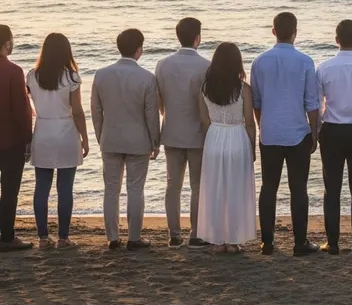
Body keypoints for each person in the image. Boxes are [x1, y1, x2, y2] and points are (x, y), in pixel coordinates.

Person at [250, 12, 320, 257]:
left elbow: (256, 101)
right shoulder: (305, 61)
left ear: (273, 31)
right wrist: (315, 132)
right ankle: (300, 243)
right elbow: (312, 103)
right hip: (298, 132)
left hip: (269, 132)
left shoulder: (259, 62)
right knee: (298, 188)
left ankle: (267, 243)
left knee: (269, 187)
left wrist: (262, 125)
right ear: (295, 32)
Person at [91, 29, 160, 251]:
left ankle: (112, 237)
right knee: (135, 188)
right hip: (138, 140)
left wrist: (101, 135)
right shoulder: (147, 78)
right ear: (139, 49)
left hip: (110, 138)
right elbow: (151, 115)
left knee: (111, 189)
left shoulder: (101, 75)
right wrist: (155, 141)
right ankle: (134, 237)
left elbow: (96, 111)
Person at [316, 20, 352, 256]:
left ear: (336, 39)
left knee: (332, 188)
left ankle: (332, 243)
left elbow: (316, 102)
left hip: (332, 128)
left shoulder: (324, 67)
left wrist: (318, 128)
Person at [27, 33, 90, 249]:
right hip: (65, 133)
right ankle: (63, 238)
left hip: (43, 132)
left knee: (41, 187)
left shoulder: (32, 76)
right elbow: (78, 112)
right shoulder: (71, 77)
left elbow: (31, 106)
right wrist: (85, 138)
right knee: (65, 188)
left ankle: (43, 238)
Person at [155, 17, 210, 249]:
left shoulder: (163, 64)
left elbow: (159, 100)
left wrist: (166, 114)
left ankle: (174, 234)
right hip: (197, 132)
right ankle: (196, 233)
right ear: (197, 37)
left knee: (173, 185)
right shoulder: (206, 65)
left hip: (172, 131)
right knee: (197, 185)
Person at [197, 43, 257, 254]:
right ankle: (233, 240)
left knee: (215, 189)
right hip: (236, 136)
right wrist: (253, 147)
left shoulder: (205, 89)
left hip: (214, 136)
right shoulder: (243, 89)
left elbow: (204, 121)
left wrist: (210, 141)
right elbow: (250, 121)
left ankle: (218, 240)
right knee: (236, 189)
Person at [0, 25, 33, 252]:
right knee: (9, 190)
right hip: (9, 141)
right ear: (7, 44)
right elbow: (21, 110)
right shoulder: (13, 71)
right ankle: (7, 237)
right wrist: (28, 139)